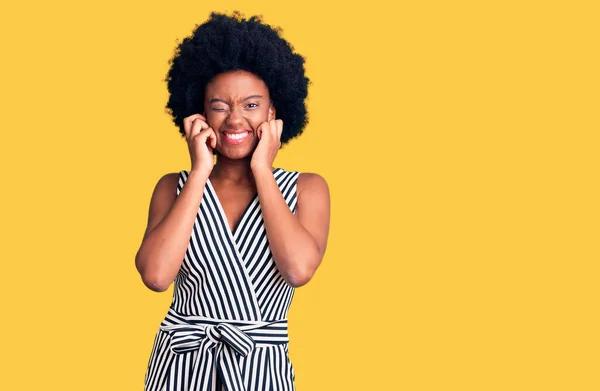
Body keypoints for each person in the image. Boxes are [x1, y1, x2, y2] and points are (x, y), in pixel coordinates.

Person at [135, 11, 331, 391]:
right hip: (179, 368)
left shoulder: (308, 187)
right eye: (220, 106)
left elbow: (299, 270)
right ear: (201, 113)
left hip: (260, 368)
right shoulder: (171, 187)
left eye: (252, 105)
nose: (234, 119)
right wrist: (198, 173)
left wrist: (263, 169)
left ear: (274, 112)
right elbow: (156, 277)